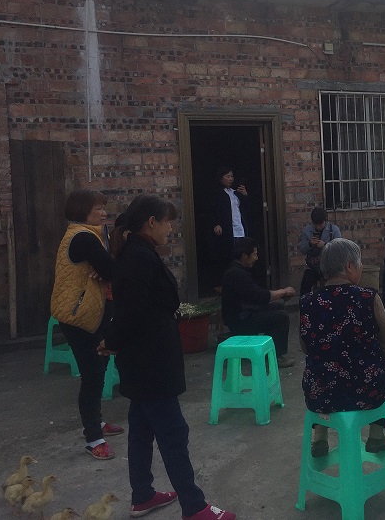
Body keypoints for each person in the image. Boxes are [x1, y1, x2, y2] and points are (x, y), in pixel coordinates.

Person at [101, 194, 235, 520]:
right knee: (174, 433)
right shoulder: (138, 257)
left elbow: (143, 305)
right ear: (151, 222)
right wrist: (112, 340)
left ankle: (143, 495)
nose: (170, 228)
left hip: (145, 359)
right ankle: (194, 506)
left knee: (142, 429)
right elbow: (130, 311)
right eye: (167, 221)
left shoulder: (139, 253)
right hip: (150, 363)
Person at [299, 238, 385, 457]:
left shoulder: (308, 301)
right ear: (350, 266)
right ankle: (376, 435)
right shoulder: (368, 297)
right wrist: (367, 355)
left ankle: (320, 438)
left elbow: (305, 347)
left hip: (322, 392)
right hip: (366, 390)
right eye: (360, 262)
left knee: (316, 372)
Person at [50, 189, 123, 461]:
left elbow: (107, 268)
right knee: (92, 374)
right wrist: (105, 270)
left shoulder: (92, 233)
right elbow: (112, 270)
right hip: (80, 316)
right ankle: (94, 438)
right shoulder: (82, 236)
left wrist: (104, 269)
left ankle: (97, 422)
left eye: (104, 208)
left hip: (92, 312)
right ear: (82, 212)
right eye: (97, 209)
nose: (103, 213)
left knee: (99, 367)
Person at [221, 237, 296, 368]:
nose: (256, 258)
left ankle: (267, 349)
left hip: (246, 312)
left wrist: (280, 295)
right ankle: (276, 357)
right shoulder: (236, 274)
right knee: (281, 317)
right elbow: (259, 296)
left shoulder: (239, 270)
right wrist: (283, 292)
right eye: (254, 255)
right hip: (240, 320)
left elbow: (256, 295)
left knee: (278, 306)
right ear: (244, 256)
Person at [209, 167, 249, 285]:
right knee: (228, 257)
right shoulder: (217, 193)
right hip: (227, 231)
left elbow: (246, 209)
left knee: (242, 257)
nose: (230, 179)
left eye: (232, 176)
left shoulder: (235, 193)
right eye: (227, 176)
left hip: (239, 229)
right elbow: (211, 210)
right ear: (221, 178)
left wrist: (245, 195)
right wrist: (215, 224)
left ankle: (242, 282)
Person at [297, 206, 342, 295]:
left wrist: (325, 245)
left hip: (330, 266)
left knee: (334, 287)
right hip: (313, 266)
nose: (318, 227)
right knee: (305, 286)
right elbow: (302, 249)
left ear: (325, 221)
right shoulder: (307, 230)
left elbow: (339, 249)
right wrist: (310, 244)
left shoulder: (333, 230)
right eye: (315, 224)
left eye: (320, 224)